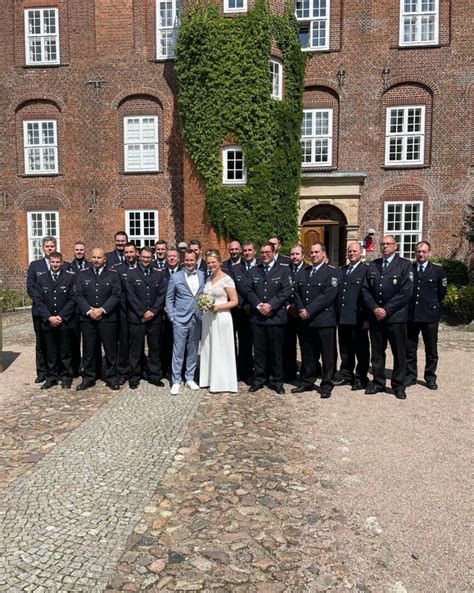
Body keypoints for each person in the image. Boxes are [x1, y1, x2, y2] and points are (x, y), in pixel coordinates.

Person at [362, 235, 414, 400]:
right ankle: (378, 382)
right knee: (377, 353)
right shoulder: (373, 265)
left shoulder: (405, 265)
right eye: (382, 244)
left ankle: (398, 385)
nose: (384, 246)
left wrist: (387, 309)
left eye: (388, 244)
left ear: (395, 246)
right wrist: (375, 308)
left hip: (396, 317)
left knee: (399, 353)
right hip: (377, 317)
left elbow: (406, 292)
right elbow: (365, 290)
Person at [293, 242, 339, 398]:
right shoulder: (304, 272)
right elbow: (297, 292)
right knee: (308, 353)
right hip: (305, 320)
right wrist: (301, 310)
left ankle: (326, 384)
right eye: (311, 252)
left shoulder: (332, 272)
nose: (313, 255)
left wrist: (309, 310)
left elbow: (328, 296)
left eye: (317, 252)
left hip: (324, 320)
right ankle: (307, 381)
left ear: (324, 254)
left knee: (327, 355)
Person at [244, 242, 292, 394]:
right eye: (262, 252)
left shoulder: (283, 269)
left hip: (275, 317)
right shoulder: (254, 270)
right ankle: (259, 379)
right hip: (258, 317)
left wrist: (271, 305)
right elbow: (248, 290)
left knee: (276, 351)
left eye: (267, 252)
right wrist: (259, 305)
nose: (265, 255)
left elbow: (286, 290)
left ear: (273, 253)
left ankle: (277, 380)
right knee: (259, 351)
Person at [75, 248, 121, 391]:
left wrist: (101, 310)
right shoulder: (82, 274)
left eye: (99, 257)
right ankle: (89, 377)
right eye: (93, 257)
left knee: (110, 350)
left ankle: (111, 378)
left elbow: (116, 295)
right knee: (88, 350)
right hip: (88, 319)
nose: (96, 260)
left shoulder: (113, 275)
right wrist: (89, 311)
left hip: (107, 318)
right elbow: (78, 295)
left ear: (104, 259)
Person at [406, 241, 447, 390]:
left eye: (423, 251)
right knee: (410, 348)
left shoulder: (437, 270)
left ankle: (430, 377)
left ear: (429, 252)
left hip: (430, 316)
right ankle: (410, 376)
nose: (421, 254)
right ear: (415, 253)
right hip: (412, 315)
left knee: (431, 349)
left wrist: (433, 306)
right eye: (418, 252)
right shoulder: (409, 269)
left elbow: (442, 293)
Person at [34, 252, 77, 389]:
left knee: (65, 351)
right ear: (50, 263)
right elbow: (39, 301)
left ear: (62, 263)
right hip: (48, 322)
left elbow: (73, 299)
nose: (55, 265)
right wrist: (49, 317)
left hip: (64, 322)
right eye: (53, 262)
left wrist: (61, 316)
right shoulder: (41, 279)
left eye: (58, 262)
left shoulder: (70, 277)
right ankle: (51, 377)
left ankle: (66, 377)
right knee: (50, 352)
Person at [126, 246, 167, 389]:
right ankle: (134, 375)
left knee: (154, 348)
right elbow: (130, 296)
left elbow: (162, 295)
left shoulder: (159, 274)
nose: (145, 259)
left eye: (148, 257)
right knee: (136, 349)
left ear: (152, 258)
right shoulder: (131, 274)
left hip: (154, 318)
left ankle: (154, 375)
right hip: (137, 317)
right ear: (139, 256)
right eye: (143, 257)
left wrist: (154, 311)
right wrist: (143, 312)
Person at [166, 249, 205, 395]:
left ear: (196, 260)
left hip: (197, 318)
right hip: (180, 320)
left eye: (192, 260)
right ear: (184, 261)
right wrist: (172, 316)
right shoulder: (175, 277)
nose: (189, 263)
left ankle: (189, 378)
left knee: (193, 350)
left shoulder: (202, 275)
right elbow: (169, 298)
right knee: (178, 350)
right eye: (187, 260)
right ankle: (176, 380)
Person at [199, 250, 239, 392]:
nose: (211, 265)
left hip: (222, 317)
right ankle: (209, 379)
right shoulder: (208, 279)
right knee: (209, 347)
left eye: (213, 262)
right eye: (209, 263)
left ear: (219, 262)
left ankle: (223, 381)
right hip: (208, 318)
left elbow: (234, 301)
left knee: (222, 348)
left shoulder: (227, 279)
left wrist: (218, 307)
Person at [334, 242, 370, 391]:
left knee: (361, 349)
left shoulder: (366, 270)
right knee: (345, 348)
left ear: (361, 253)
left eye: (354, 251)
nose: (351, 254)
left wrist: (368, 318)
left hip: (358, 318)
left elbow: (369, 295)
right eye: (349, 251)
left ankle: (361, 377)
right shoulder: (342, 270)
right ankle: (346, 374)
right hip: (343, 317)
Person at [26, 236, 58, 383]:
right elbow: (31, 288)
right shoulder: (35, 266)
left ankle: (57, 370)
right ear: (43, 248)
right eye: (47, 246)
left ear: (55, 247)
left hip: (57, 312)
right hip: (40, 311)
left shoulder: (60, 264)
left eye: (52, 246)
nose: (49, 248)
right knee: (41, 343)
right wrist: (42, 306)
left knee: (57, 342)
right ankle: (42, 371)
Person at [114, 242, 139, 384]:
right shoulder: (117, 269)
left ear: (136, 253)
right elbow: (117, 290)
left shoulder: (142, 267)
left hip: (137, 311)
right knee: (123, 342)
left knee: (137, 342)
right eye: (127, 252)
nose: (129, 255)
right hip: (123, 310)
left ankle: (136, 370)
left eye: (131, 252)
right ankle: (123, 371)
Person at [67, 241, 91, 377]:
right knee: (74, 341)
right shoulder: (68, 266)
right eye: (77, 250)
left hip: (87, 308)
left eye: (82, 249)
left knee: (89, 342)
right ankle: (75, 367)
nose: (79, 252)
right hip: (74, 310)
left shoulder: (90, 265)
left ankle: (89, 368)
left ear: (85, 251)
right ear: (74, 251)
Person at [283, 243, 306, 382]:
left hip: (303, 313)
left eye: (297, 254)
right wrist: (287, 306)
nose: (294, 257)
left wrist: (300, 308)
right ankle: (289, 371)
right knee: (288, 344)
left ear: (303, 255)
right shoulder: (285, 270)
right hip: (288, 313)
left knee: (305, 345)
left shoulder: (308, 269)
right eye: (292, 254)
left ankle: (306, 373)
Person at [160, 247, 182, 378]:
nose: (172, 258)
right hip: (164, 314)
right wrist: (164, 306)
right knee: (165, 342)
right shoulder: (160, 273)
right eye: (170, 256)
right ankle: (165, 369)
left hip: (180, 314)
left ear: (179, 259)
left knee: (179, 343)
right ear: (166, 258)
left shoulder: (184, 273)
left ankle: (180, 369)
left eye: (174, 256)